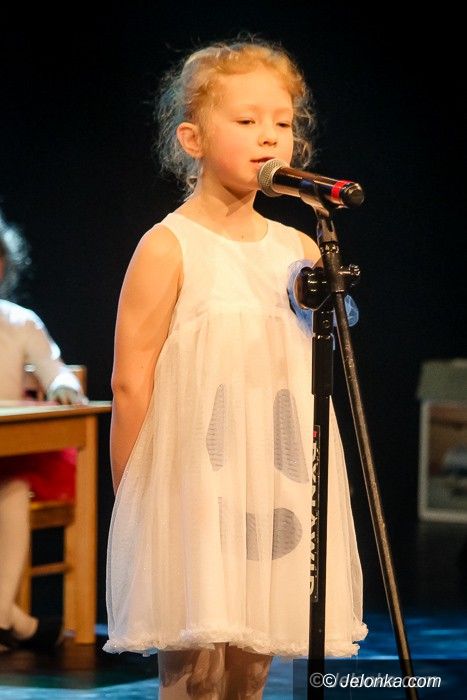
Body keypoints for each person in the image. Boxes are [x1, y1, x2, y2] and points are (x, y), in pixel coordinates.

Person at [104, 37, 367, 699]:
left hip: (275, 485)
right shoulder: (170, 246)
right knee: (196, 672)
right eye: (246, 120)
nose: (268, 137)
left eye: (281, 122)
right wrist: (136, 501)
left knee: (251, 671)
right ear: (192, 139)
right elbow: (130, 382)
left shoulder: (299, 246)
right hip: (196, 485)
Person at [0, 210, 86, 652]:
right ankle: (14, 621)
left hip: (12, 455)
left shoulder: (19, 321)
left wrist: (64, 387)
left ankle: (4, 617)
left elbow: (56, 370)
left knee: (14, 491)